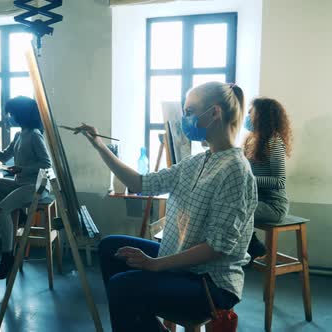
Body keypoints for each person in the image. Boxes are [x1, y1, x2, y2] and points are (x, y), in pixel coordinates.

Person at [76, 82, 257, 331]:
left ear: (215, 113)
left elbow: (217, 247)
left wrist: (155, 264)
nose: (185, 119)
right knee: (110, 248)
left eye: (190, 111)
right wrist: (99, 145)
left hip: (209, 283)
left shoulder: (235, 170)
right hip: (183, 267)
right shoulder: (197, 162)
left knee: (122, 288)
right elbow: (140, 182)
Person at [0, 96, 52, 280]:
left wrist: (22, 168)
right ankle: (22, 216)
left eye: (11, 114)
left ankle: (7, 256)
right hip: (20, 183)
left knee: (1, 211)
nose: (8, 117)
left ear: (21, 115)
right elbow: (3, 157)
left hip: (35, 187)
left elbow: (46, 164)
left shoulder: (34, 135)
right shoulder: (19, 135)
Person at [243, 97, 292, 260]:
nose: (247, 114)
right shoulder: (251, 140)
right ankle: (250, 247)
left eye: (251, 111)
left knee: (233, 209)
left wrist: (249, 179)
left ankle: (254, 247)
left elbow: (280, 182)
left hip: (273, 206)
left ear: (262, 116)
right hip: (256, 200)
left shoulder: (274, 142)